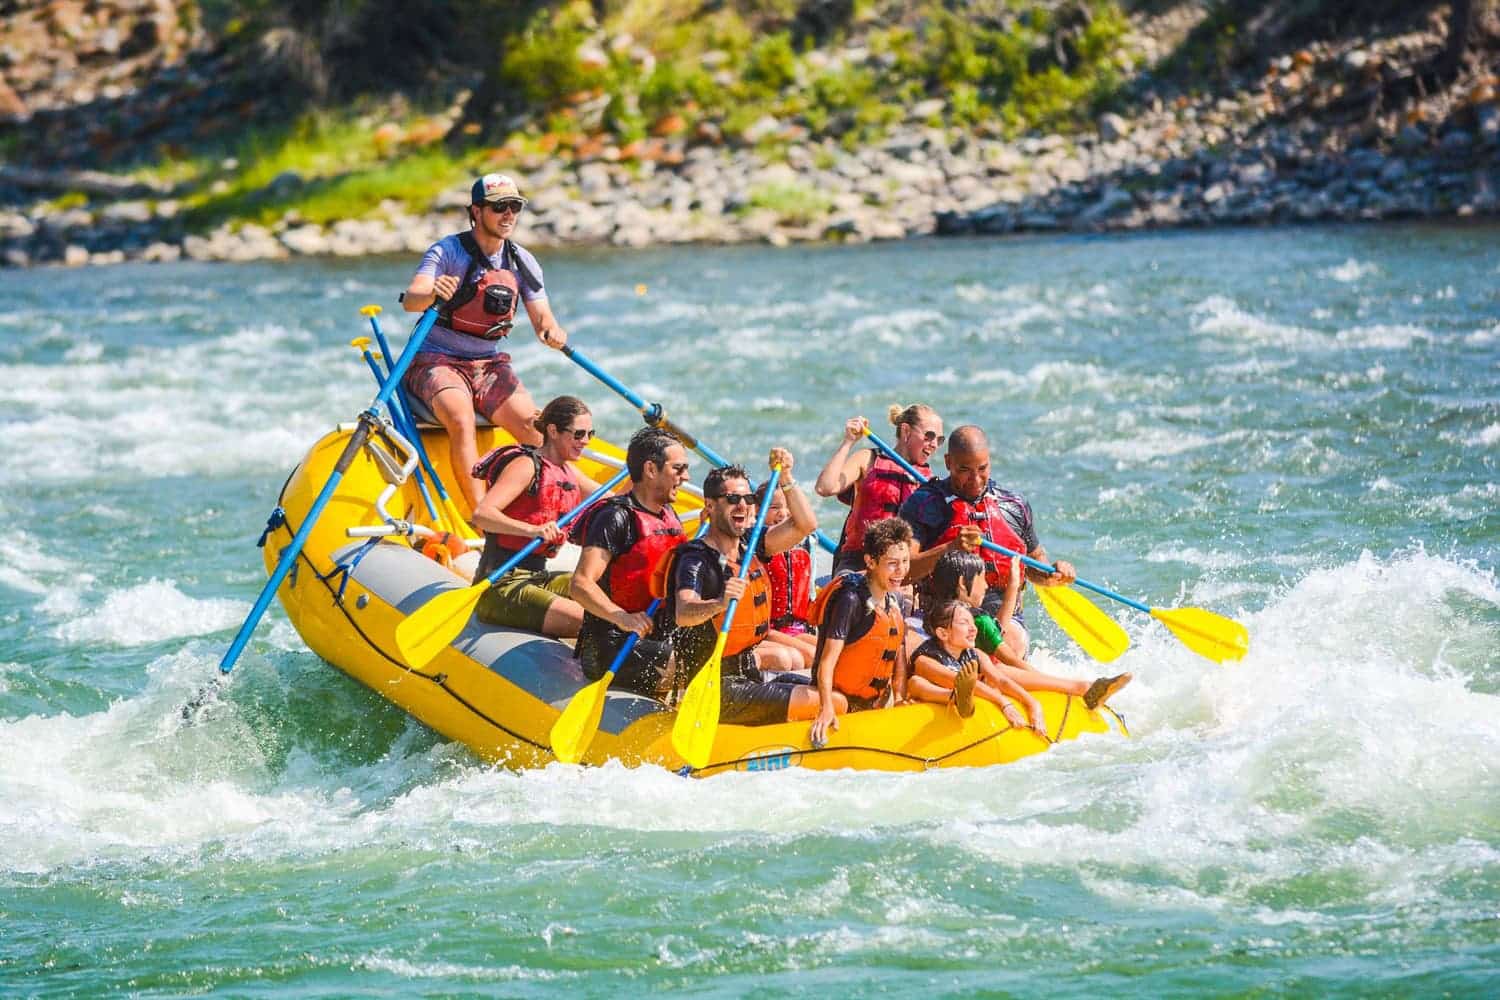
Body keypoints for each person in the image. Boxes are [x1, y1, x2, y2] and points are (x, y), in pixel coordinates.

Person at [400, 172, 570, 510]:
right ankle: (482, 513)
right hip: (435, 358)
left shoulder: (522, 261)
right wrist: (433, 292)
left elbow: (543, 318)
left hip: (488, 363)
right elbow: (412, 299)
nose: (508, 215)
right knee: (461, 419)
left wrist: (552, 331)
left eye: (514, 206)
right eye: (498, 207)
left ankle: (558, 502)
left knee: (534, 426)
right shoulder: (448, 251)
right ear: (476, 211)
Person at [656, 453, 823, 725]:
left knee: (831, 689)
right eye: (732, 499)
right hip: (715, 687)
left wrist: (786, 478)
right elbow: (684, 611)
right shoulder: (697, 558)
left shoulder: (750, 545)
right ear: (709, 506)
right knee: (827, 702)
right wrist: (719, 603)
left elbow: (805, 525)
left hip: (748, 674)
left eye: (749, 499)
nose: (742, 505)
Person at [899, 425, 1075, 661]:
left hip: (1001, 616)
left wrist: (1054, 574)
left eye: (982, 469)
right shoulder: (922, 504)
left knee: (1010, 641)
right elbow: (904, 570)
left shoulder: (1014, 504)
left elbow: (1035, 566)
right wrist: (950, 548)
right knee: (906, 644)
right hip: (939, 616)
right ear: (948, 462)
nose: (975, 479)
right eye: (964, 469)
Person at [928, 548, 1131, 711]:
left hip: (944, 677)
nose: (986, 586)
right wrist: (1044, 681)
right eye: (982, 578)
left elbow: (998, 626)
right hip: (985, 678)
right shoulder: (978, 620)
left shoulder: (933, 614)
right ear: (963, 584)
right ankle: (1082, 688)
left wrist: (1014, 584)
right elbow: (1011, 659)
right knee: (1000, 669)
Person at [469, 396, 605, 638]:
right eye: (578, 434)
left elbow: (613, 499)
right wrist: (532, 530)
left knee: (609, 597)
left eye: (589, 434)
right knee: (597, 623)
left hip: (538, 577)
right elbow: (482, 514)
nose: (585, 441)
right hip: (501, 583)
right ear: (553, 431)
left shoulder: (568, 471)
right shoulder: (526, 465)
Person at [568, 427, 690, 697]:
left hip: (660, 635)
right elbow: (580, 584)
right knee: (687, 663)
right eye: (678, 469)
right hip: (613, 643)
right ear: (650, 469)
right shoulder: (616, 517)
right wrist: (621, 617)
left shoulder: (668, 514)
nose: (686, 477)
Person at [807, 517, 912, 747]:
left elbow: (898, 661)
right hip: (840, 697)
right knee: (839, 702)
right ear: (870, 561)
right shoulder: (851, 600)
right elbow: (827, 662)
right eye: (892, 563)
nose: (901, 570)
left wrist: (900, 699)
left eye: (905, 561)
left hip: (874, 701)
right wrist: (826, 708)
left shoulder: (894, 601)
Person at [815, 405, 943, 574]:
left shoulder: (929, 483)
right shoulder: (868, 459)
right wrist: (848, 441)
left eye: (939, 440)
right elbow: (824, 487)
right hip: (858, 561)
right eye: (929, 436)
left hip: (900, 568)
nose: (934, 444)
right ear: (906, 431)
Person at [907, 599, 1042, 734]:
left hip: (966, 695)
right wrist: (1003, 703)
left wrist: (1032, 703)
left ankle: (961, 699)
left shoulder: (976, 654)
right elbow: (956, 679)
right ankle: (956, 698)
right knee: (917, 683)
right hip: (939, 696)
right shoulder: (925, 659)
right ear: (943, 633)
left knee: (995, 675)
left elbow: (1000, 680)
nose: (973, 629)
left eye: (972, 622)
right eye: (964, 623)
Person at [754, 479, 819, 671]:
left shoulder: (808, 543)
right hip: (770, 629)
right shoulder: (754, 545)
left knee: (830, 654)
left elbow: (810, 592)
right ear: (758, 509)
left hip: (798, 628)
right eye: (774, 507)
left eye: (788, 506)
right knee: (813, 656)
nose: (783, 513)